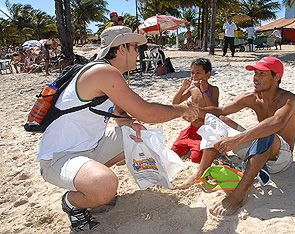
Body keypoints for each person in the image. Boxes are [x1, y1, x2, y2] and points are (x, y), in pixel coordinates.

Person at [37, 26, 199, 231]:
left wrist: (131, 124)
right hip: (59, 158)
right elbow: (146, 112)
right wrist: (182, 110)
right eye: (134, 47)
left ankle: (92, 186)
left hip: (90, 148)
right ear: (122, 48)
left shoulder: (108, 73)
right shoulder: (102, 72)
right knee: (104, 186)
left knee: (137, 135)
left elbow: (120, 114)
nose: (138, 53)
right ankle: (72, 203)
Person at [177, 56, 295, 216]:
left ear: (276, 77)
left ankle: (237, 196)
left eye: (262, 74)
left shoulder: (288, 99)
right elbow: (221, 111)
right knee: (217, 121)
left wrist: (237, 139)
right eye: (255, 73)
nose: (256, 78)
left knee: (267, 133)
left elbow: (277, 121)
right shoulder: (253, 97)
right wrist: (195, 111)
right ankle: (200, 173)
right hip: (257, 151)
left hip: (280, 158)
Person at [171, 58, 219, 163]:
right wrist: (182, 89)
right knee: (174, 151)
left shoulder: (213, 89)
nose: (194, 76)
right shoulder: (192, 89)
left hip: (204, 130)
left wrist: (204, 90)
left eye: (198, 73)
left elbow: (214, 110)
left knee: (195, 158)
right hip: (192, 129)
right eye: (192, 73)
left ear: (208, 74)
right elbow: (175, 103)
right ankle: (189, 146)